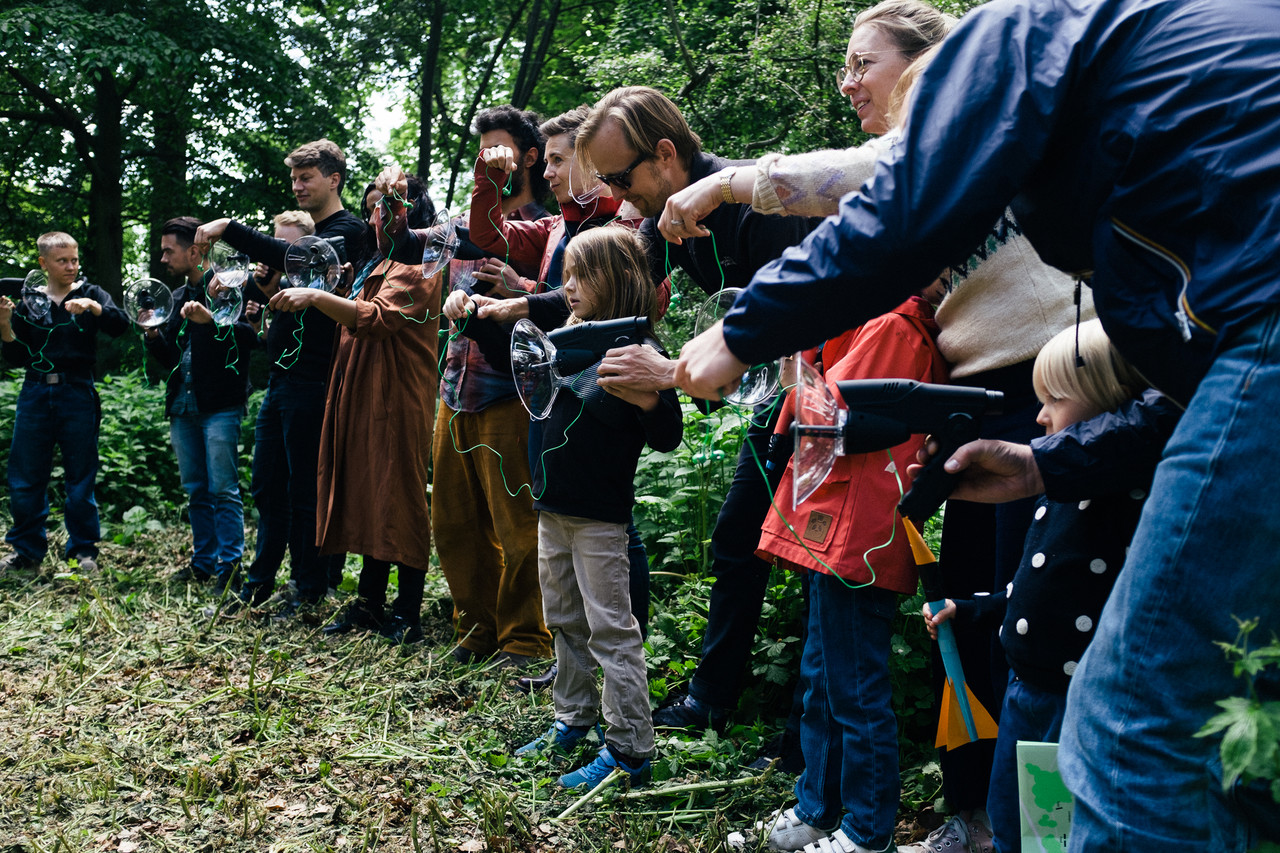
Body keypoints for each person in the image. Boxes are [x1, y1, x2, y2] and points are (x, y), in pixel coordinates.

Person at [674, 0, 1280, 849]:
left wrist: (738, 334)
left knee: (1138, 712)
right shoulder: (1176, 208)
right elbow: (1196, 399)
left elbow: (899, 205)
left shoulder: (1016, 38)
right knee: (1245, 712)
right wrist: (1050, 466)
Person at [575, 86, 818, 742]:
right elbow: (620, 293)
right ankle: (713, 697)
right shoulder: (660, 219)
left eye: (622, 179)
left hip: (823, 389)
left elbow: (791, 329)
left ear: (663, 155)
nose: (621, 199)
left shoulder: (755, 205)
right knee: (740, 537)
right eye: (606, 184)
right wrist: (557, 329)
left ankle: (807, 731)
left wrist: (673, 373)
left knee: (816, 555)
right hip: (776, 394)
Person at [455, 225, 681, 788]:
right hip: (551, 510)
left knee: (611, 631)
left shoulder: (639, 350)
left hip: (601, 521)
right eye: (569, 275)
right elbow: (520, 370)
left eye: (583, 276)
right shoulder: (566, 333)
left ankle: (631, 751)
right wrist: (470, 318)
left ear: (620, 281)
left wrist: (650, 398)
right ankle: (572, 721)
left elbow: (669, 433)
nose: (569, 287)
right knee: (562, 619)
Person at [922, 319, 1159, 853]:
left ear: (1109, 404)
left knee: (1060, 833)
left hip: (1075, 702)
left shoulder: (1128, 501)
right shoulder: (1052, 491)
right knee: (1015, 821)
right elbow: (1030, 590)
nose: (1039, 414)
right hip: (1022, 694)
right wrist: (971, 608)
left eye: (1054, 398)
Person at [732, 279, 947, 853]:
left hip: (861, 537)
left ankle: (868, 832)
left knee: (853, 687)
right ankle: (818, 809)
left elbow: (837, 417)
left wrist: (792, 376)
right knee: (821, 678)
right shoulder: (879, 320)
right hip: (839, 527)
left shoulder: (895, 328)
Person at [461, 105, 658, 692]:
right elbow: (486, 235)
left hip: (608, 389)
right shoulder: (556, 225)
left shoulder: (623, 224)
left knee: (616, 533)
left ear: (592, 162)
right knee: (567, 553)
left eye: (557, 159)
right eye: (543, 160)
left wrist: (524, 300)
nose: (546, 172)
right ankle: (571, 677)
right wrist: (487, 182)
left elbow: (614, 302)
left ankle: (625, 663)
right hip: (557, 393)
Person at [379, 105, 554, 666]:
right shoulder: (458, 226)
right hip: (454, 388)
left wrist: (513, 285)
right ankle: (476, 630)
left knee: (518, 524)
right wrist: (394, 198)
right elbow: (399, 245)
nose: (490, 161)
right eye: (483, 153)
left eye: (500, 151)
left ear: (529, 157)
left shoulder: (543, 229)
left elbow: (558, 305)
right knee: (454, 522)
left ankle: (526, 639)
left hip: (512, 391)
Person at [194, 140, 369, 614]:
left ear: (334, 179)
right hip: (280, 381)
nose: (297, 186)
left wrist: (228, 227)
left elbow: (295, 257)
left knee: (302, 490)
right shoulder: (307, 237)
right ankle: (258, 585)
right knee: (268, 486)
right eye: (294, 178)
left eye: (306, 177)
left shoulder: (347, 231)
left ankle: (308, 588)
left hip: (316, 381)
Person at [270, 175, 441, 644]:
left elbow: (378, 320)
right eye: (370, 209)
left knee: (398, 495)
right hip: (358, 393)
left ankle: (407, 611)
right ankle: (368, 604)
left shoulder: (423, 266)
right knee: (367, 492)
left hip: (397, 396)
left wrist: (318, 297)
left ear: (411, 213)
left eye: (383, 207)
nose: (373, 218)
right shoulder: (374, 264)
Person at [0, 232, 129, 574]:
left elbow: (122, 325)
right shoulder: (29, 302)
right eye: (62, 261)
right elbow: (15, 356)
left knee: (80, 477)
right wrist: (3, 324)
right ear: (43, 263)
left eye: (74, 260)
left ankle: (82, 553)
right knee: (26, 476)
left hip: (77, 392)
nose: (71, 266)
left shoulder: (91, 293)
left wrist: (94, 307)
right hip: (35, 393)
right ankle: (26, 553)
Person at [146, 217, 255, 591]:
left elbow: (247, 341)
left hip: (220, 406)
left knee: (223, 488)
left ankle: (230, 567)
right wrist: (152, 334)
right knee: (195, 489)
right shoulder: (174, 299)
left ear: (194, 252)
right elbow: (170, 359)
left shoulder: (230, 290)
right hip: (182, 406)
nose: (162, 259)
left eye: (168, 250)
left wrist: (212, 322)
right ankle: (203, 562)